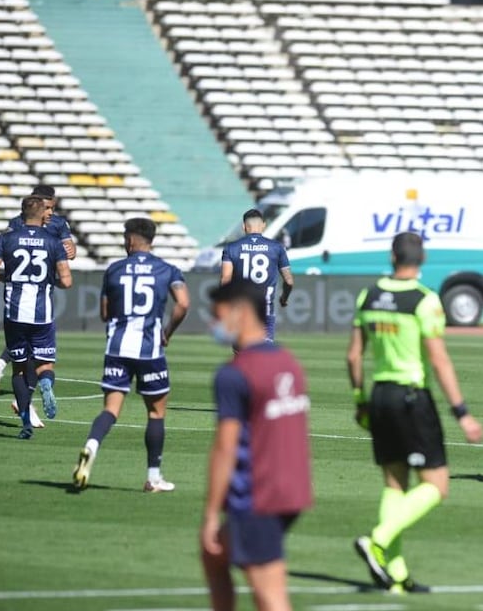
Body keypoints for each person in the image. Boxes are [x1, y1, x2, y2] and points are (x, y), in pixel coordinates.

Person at [347, 232, 483, 593]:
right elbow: (439, 360)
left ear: (392, 256)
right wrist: (462, 412)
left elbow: (353, 356)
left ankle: (396, 576)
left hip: (379, 396)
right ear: (422, 259)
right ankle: (377, 540)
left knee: (394, 484)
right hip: (411, 398)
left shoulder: (368, 295)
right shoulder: (424, 300)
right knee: (436, 486)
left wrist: (360, 400)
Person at [200, 280, 313, 611]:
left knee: (270, 596)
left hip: (258, 497)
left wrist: (211, 513)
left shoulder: (234, 374)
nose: (213, 324)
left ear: (240, 312)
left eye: (217, 314)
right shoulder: (288, 361)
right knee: (214, 554)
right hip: (292, 491)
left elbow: (225, 448)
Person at [72, 218, 189, 492]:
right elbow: (183, 304)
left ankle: (91, 446)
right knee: (156, 413)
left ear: (131, 240)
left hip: (117, 347)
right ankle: (153, 478)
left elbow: (104, 313)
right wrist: (167, 333)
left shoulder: (114, 269)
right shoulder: (167, 269)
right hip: (150, 349)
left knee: (110, 410)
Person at [0, 185, 76, 427]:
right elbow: (65, 273)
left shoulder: (56, 224)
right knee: (37, 356)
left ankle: (6, 376)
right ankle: (25, 401)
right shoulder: (20, 225)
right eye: (47, 207)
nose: (50, 212)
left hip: (19, 301)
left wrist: (69, 249)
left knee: (24, 352)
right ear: (38, 205)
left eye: (52, 207)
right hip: (39, 299)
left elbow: (70, 251)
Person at [219, 209, 293, 343]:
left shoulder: (231, 248)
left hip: (241, 311)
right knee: (263, 354)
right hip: (265, 311)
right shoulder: (277, 248)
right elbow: (289, 281)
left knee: (242, 355)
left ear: (244, 226)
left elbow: (225, 280)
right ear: (263, 225)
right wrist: (284, 298)